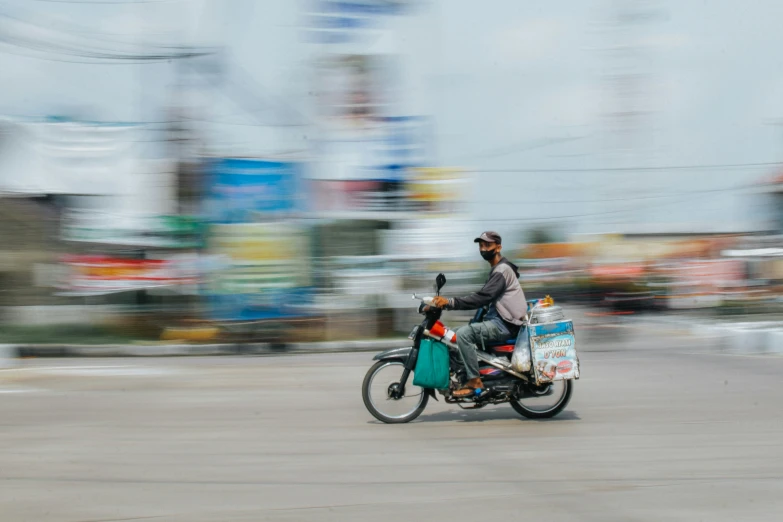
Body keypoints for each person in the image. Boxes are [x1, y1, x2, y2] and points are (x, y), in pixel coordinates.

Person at [431, 231, 527, 397]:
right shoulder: (497, 270)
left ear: (498, 247)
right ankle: (464, 374)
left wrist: (450, 302)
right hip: (499, 321)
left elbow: (483, 297)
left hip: (504, 325)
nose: (483, 249)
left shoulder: (502, 271)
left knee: (463, 334)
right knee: (452, 334)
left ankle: (475, 381)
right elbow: (487, 301)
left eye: (487, 245)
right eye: (481, 246)